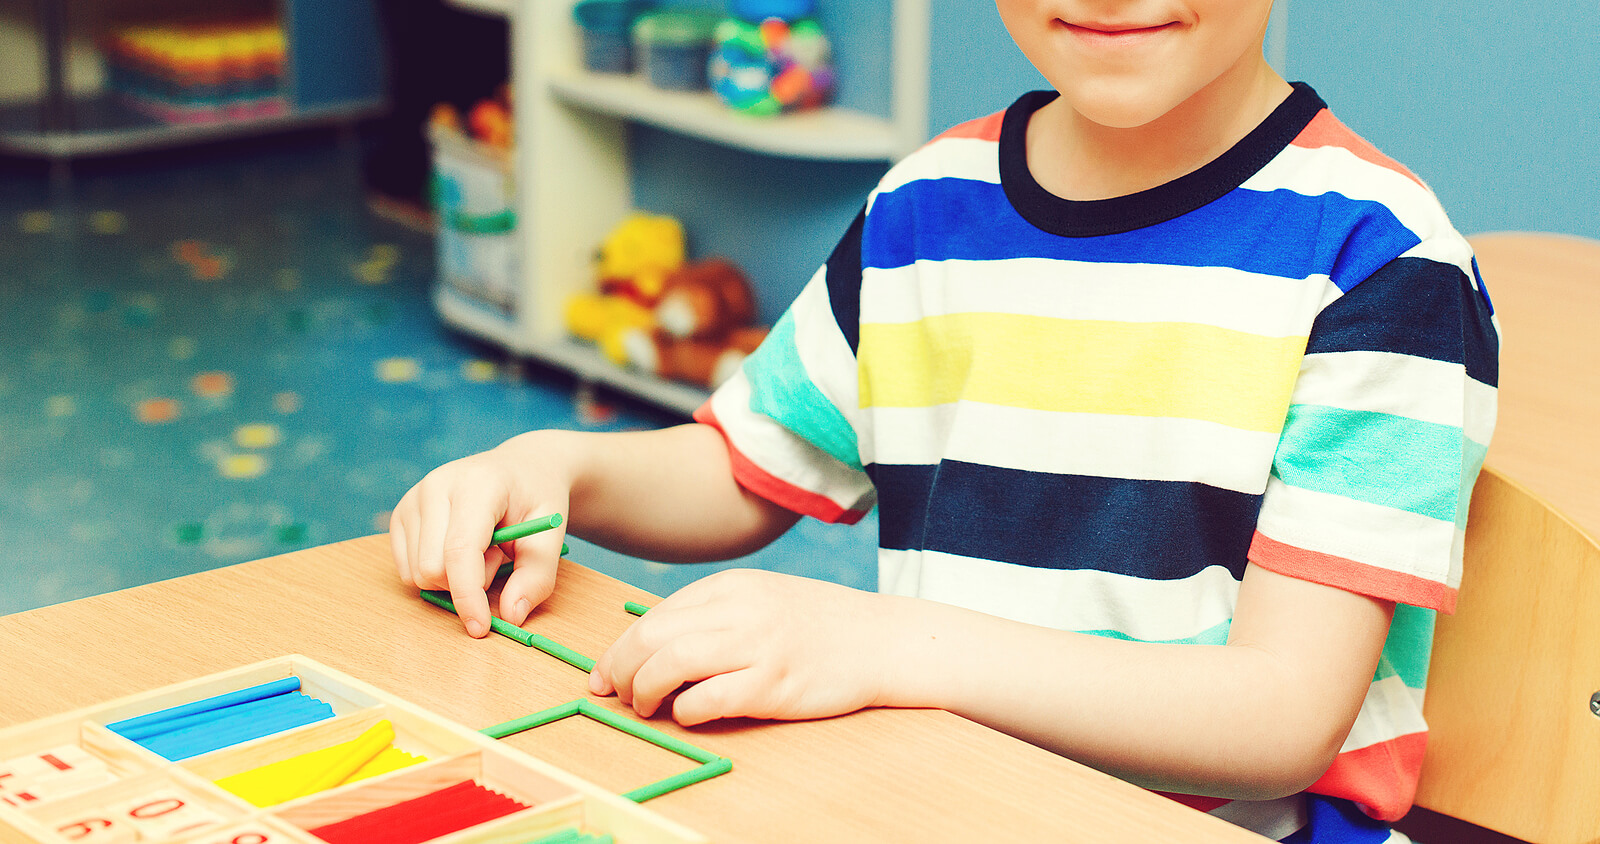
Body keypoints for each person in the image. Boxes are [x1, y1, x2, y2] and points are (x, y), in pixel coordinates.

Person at [389, 1, 1500, 840]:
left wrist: (882, 645)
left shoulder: (1382, 262)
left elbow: (1277, 717)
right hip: (937, 798)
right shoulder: (927, 204)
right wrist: (554, 466)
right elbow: (742, 469)